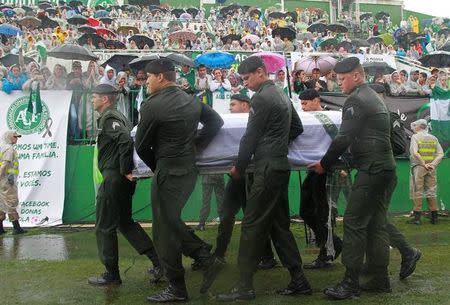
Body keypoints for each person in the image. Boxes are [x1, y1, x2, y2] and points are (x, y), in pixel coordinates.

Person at [216, 56, 311, 302]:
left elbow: (250, 136)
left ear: (260, 72)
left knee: (252, 225)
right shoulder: (281, 94)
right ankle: (298, 279)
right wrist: (277, 143)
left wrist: (239, 167)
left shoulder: (261, 98)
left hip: (266, 167)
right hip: (280, 165)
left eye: (247, 79)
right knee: (278, 225)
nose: (245, 84)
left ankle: (245, 286)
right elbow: (297, 128)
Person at [135, 58, 225, 302]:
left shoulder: (152, 105)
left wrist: (158, 168)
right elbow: (216, 122)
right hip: (189, 170)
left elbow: (141, 146)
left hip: (168, 170)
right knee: (171, 221)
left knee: (164, 230)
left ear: (161, 77)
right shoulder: (191, 99)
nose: (146, 82)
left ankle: (177, 287)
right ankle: (204, 256)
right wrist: (197, 143)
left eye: (149, 78)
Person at [308, 57, 397, 299]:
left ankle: (350, 283)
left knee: (353, 222)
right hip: (385, 168)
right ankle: (380, 278)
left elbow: (343, 138)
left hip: (372, 169)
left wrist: (324, 164)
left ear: (356, 76)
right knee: (376, 224)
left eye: (342, 79)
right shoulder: (371, 96)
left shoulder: (356, 99)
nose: (339, 84)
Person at [87, 84, 161, 286]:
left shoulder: (110, 117)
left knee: (104, 227)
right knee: (124, 223)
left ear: (105, 99)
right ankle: (159, 262)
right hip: (119, 179)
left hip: (114, 179)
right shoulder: (117, 116)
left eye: (94, 97)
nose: (92, 100)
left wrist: (125, 169)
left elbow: (125, 141)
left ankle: (111, 274)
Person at [213, 94, 278, 270]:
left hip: (252, 176)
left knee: (253, 217)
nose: (230, 108)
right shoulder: (230, 124)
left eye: (233, 104)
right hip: (236, 176)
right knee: (227, 214)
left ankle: (266, 256)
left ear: (245, 105)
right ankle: (219, 254)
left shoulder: (256, 122)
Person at [298, 89, 344, 270]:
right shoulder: (307, 119)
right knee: (306, 211)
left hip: (327, 170)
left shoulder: (329, 118)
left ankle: (328, 250)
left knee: (322, 213)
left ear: (316, 100)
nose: (303, 107)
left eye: (306, 103)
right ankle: (332, 244)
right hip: (313, 169)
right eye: (301, 104)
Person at [408, 119, 444, 225]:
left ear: (419, 126)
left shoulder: (415, 137)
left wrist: (424, 163)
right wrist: (432, 165)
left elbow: (415, 153)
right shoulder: (434, 138)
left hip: (419, 167)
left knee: (417, 191)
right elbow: (440, 154)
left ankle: (417, 219)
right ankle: (434, 218)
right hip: (431, 169)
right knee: (431, 191)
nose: (414, 127)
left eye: (415, 125)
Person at [0, 131, 26, 235]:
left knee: (1, 203)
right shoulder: (9, 149)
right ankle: (16, 227)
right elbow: (5, 164)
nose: (16, 139)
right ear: (9, 138)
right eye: (14, 137)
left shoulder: (3, 147)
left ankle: (0, 229)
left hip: (3, 180)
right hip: (7, 181)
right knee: (11, 202)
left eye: (17, 137)